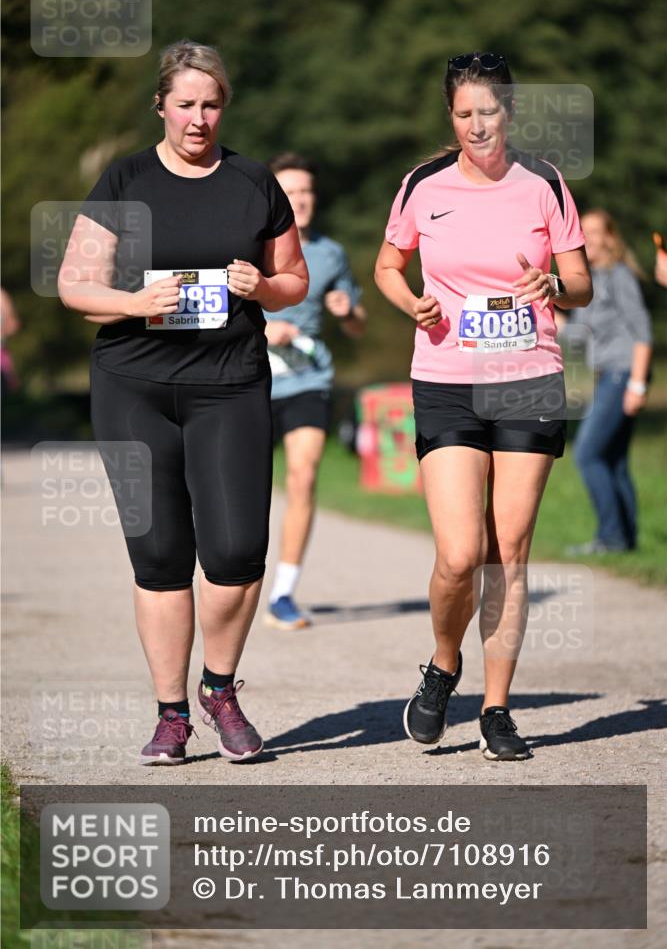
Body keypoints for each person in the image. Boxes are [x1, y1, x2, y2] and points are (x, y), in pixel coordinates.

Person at [58, 40, 308, 766]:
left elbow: (293, 280)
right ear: (161, 106)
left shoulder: (253, 182)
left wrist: (263, 288)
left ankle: (219, 689)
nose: (199, 118)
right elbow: (75, 285)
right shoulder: (125, 179)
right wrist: (134, 302)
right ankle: (171, 716)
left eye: (212, 104)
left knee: (236, 552)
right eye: (186, 104)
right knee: (161, 555)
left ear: (224, 107)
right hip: (133, 387)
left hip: (228, 384)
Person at [374, 52, 592, 760]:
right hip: (447, 378)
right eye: (464, 113)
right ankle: (444, 663)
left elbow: (581, 283)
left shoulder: (544, 183)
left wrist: (553, 287)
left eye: (489, 112)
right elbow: (387, 264)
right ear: (451, 116)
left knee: (507, 553)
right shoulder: (422, 184)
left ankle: (497, 709)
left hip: (528, 377)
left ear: (510, 112)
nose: (477, 126)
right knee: (461, 553)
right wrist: (411, 301)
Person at [263, 153, 366, 630]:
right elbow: (215, 309)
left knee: (303, 476)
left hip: (307, 378)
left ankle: (283, 593)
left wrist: (347, 312)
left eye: (306, 191)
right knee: (240, 485)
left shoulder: (330, 253)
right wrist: (262, 331)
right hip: (251, 378)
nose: (300, 200)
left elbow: (357, 325)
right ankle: (230, 579)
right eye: (290, 192)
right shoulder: (250, 246)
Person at [563, 210, 652, 555]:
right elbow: (577, 335)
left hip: (622, 374)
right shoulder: (589, 279)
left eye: (594, 231)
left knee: (587, 454)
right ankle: (626, 540)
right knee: (614, 459)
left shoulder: (618, 275)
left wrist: (638, 385)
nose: (586, 238)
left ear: (610, 238)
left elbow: (642, 331)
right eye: (582, 231)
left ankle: (610, 538)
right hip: (605, 377)